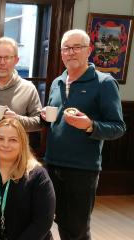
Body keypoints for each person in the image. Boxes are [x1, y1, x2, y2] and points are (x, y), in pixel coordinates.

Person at [41, 29, 126, 240]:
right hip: (51, 164)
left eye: (77, 47)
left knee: (75, 231)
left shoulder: (104, 83)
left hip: (82, 171)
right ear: (61, 53)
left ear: (88, 50)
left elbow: (118, 127)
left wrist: (90, 125)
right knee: (46, 222)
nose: (71, 52)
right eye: (66, 48)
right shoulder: (56, 82)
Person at [0, 118, 56, 240]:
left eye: (13, 140)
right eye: (0, 138)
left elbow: (42, 222)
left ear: (22, 144)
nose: (5, 144)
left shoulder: (38, 176)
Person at [0, 37, 42, 132]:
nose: (2, 62)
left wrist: (17, 119)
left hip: (16, 146)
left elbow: (39, 122)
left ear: (16, 60)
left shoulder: (28, 88)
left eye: (7, 58)